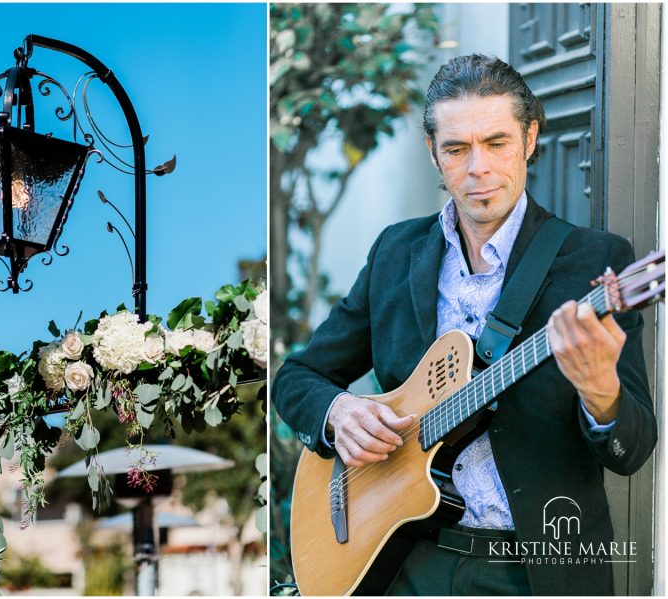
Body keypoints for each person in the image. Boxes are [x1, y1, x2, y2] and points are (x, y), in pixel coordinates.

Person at [272, 54, 657, 596]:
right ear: (434, 154)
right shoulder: (395, 252)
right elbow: (296, 377)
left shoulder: (594, 264)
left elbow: (634, 449)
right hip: (408, 564)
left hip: (538, 572)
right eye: (456, 149)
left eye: (496, 143)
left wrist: (601, 393)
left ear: (529, 139)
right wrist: (338, 413)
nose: (478, 169)